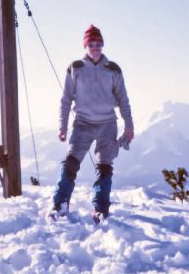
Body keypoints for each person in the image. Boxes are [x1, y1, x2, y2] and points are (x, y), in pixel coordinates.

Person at [49, 24, 134, 222]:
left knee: (104, 166)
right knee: (71, 161)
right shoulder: (75, 68)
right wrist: (62, 126)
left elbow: (123, 99)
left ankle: (100, 208)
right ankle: (60, 203)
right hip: (82, 122)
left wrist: (129, 126)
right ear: (85, 46)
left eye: (98, 44)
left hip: (107, 123)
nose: (95, 47)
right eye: (91, 44)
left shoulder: (113, 69)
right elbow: (66, 99)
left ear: (102, 45)